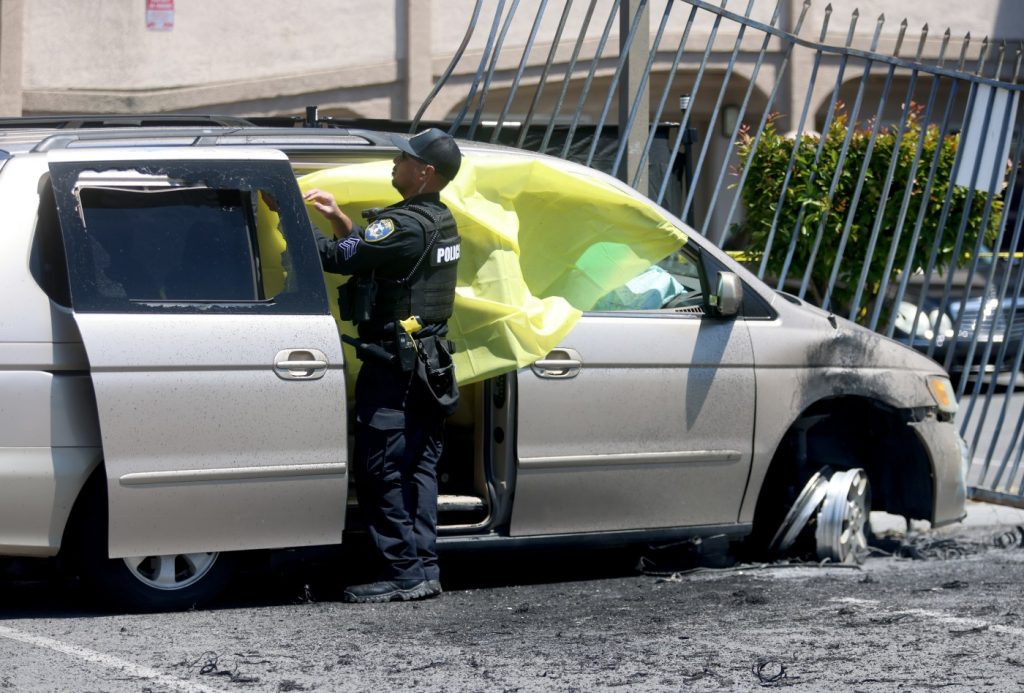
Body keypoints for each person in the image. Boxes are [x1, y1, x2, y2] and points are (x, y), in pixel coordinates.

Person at [304, 128, 462, 604]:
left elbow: (336, 258)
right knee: (418, 465)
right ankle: (424, 567)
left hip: (395, 366)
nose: (396, 164)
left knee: (381, 468)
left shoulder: (403, 225)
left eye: (404, 159)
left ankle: (402, 573)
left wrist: (292, 216)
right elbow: (368, 255)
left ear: (424, 173)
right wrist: (337, 217)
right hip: (425, 361)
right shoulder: (439, 221)